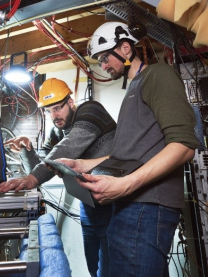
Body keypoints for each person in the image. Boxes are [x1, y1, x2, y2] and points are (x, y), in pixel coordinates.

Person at [59, 21, 199, 276]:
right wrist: (80, 165)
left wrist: (126, 184)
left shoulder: (158, 75)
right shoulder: (134, 89)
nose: (102, 66)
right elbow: (122, 156)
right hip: (131, 206)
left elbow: (184, 145)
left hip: (146, 205)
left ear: (125, 48)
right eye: (99, 61)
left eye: (104, 58)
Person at [0, 78, 117, 277]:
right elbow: (43, 161)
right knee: (93, 268)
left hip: (112, 203)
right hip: (89, 206)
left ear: (70, 103)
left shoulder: (90, 111)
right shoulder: (57, 131)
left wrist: (33, 178)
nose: (54, 115)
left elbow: (66, 148)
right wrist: (27, 150)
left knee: (109, 271)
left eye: (58, 108)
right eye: (49, 110)